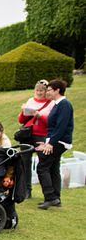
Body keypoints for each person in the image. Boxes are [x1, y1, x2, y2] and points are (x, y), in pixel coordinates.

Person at [36, 79, 74, 209]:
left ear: (57, 90)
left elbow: (61, 126)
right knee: (53, 167)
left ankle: (50, 197)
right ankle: (56, 198)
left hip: (59, 142)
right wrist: (47, 141)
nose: (47, 92)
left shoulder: (64, 104)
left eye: (50, 90)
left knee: (42, 167)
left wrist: (50, 143)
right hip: (55, 140)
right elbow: (53, 127)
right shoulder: (57, 104)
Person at [17, 79, 53, 198]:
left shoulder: (51, 103)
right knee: (24, 162)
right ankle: (27, 190)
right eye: (37, 90)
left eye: (41, 90)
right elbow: (21, 120)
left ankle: (48, 192)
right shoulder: (30, 101)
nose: (39, 92)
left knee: (43, 164)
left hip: (41, 134)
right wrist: (23, 111)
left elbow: (51, 122)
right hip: (27, 134)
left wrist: (40, 116)